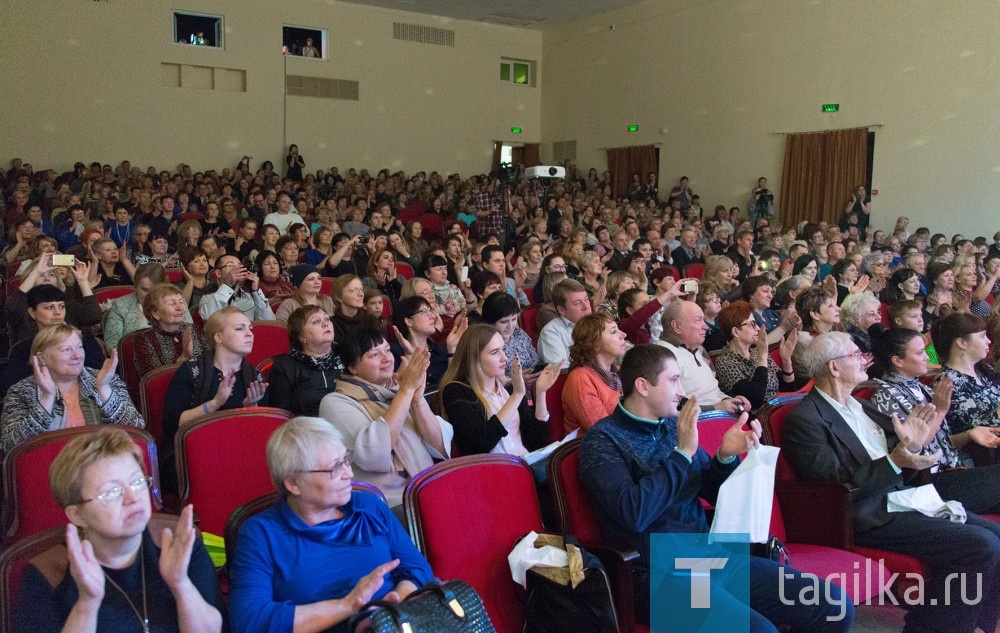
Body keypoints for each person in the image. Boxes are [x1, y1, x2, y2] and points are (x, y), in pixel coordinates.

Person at [579, 344, 851, 631]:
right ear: (643, 386)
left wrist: (725, 456)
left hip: (708, 558)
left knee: (832, 605)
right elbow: (633, 513)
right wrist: (682, 454)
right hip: (658, 575)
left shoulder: (672, 426)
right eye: (673, 381)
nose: (681, 391)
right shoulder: (602, 440)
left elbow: (714, 492)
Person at [784, 331, 1000, 633]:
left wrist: (912, 447)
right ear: (834, 367)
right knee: (981, 544)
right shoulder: (806, 419)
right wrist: (896, 461)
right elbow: (834, 486)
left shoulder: (862, 406)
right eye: (856, 355)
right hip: (867, 513)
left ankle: (980, 624)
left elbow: (902, 454)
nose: (865, 360)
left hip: (903, 496)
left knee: (996, 535)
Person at [228, 417, 433, 632]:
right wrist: (348, 605)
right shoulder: (260, 534)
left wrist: (391, 609)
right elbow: (249, 621)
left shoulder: (369, 506)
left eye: (346, 460)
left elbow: (417, 569)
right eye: (335, 468)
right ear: (293, 483)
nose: (349, 474)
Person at [13, 427, 223, 632]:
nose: (133, 498)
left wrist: (181, 585)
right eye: (112, 492)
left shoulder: (180, 543)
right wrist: (87, 604)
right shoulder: (48, 573)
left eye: (138, 482)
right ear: (77, 514)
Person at [869, 326, 1000, 512]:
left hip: (955, 471)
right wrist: (939, 411)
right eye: (920, 353)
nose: (927, 358)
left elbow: (941, 444)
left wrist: (969, 434)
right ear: (897, 360)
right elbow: (913, 451)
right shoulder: (887, 396)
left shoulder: (921, 388)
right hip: (928, 483)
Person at [318, 328, 450, 508]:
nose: (387, 358)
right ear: (352, 367)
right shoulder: (335, 402)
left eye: (387, 350)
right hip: (385, 505)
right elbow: (373, 455)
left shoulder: (398, 390)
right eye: (374, 354)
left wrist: (417, 401)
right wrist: (405, 392)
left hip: (428, 490)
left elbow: (439, 447)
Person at [162, 307, 269, 487]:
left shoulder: (256, 377)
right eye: (239, 328)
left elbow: (262, 434)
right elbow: (171, 424)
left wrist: (251, 409)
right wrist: (214, 404)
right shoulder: (191, 371)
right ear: (218, 337)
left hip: (239, 449)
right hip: (197, 449)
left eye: (250, 328)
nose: (249, 334)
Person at [1, 325, 143, 453]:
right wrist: (46, 400)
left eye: (80, 347)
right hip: (50, 472)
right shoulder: (20, 391)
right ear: (41, 358)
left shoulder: (105, 379)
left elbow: (137, 430)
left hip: (105, 466)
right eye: (66, 349)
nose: (77, 356)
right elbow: (10, 447)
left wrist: (104, 390)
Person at [439, 324, 560, 456]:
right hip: (491, 470)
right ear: (474, 358)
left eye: (503, 349)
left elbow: (537, 440)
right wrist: (517, 395)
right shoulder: (455, 391)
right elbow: (482, 442)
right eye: (495, 352)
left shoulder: (508, 386)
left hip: (524, 464)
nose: (505, 358)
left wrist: (540, 392)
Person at [654, 299, 752, 414]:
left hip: (721, 415)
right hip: (697, 423)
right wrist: (716, 407)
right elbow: (670, 408)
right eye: (698, 320)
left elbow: (713, 391)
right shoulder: (661, 355)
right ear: (677, 326)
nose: (705, 326)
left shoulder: (699, 349)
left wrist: (729, 400)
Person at [931, 312, 1000, 449]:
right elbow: (975, 429)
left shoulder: (985, 371)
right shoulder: (948, 382)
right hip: (981, 456)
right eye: (982, 336)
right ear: (962, 343)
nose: (988, 341)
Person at [714, 300, 797, 410]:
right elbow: (754, 401)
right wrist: (762, 359)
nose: (758, 328)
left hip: (779, 408)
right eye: (752, 324)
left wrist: (786, 361)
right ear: (735, 332)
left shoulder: (755, 352)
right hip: (758, 417)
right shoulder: (725, 362)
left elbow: (789, 389)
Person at [269, 305, 344, 417]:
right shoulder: (285, 366)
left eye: (327, 319)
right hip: (305, 429)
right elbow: (281, 414)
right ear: (301, 336)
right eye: (316, 321)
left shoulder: (348, 358)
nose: (325, 323)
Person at [561, 313, 628, 435]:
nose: (623, 335)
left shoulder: (617, 372)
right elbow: (603, 432)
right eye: (614, 332)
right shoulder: (580, 379)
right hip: (596, 449)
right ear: (595, 345)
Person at [133, 283, 208, 380]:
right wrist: (183, 358)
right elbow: (154, 380)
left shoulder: (194, 329)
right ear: (155, 313)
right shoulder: (144, 339)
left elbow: (211, 361)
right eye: (172, 303)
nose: (180, 308)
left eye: (181, 302)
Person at [388, 296, 467, 386]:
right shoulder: (392, 352)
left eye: (431, 311)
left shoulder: (441, 350)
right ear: (409, 321)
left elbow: (453, 385)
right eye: (425, 312)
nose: (432, 316)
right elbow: (393, 388)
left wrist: (452, 348)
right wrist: (408, 355)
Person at [103, 264, 174, 350]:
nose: (149, 295)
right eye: (144, 290)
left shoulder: (177, 302)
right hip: (135, 359)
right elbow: (113, 347)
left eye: (155, 290)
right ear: (135, 285)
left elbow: (189, 337)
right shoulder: (120, 306)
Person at [198, 254, 275, 322]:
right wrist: (228, 284)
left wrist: (255, 291)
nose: (236, 269)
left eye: (239, 265)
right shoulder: (208, 299)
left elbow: (269, 321)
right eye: (230, 266)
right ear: (218, 273)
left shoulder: (251, 297)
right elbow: (208, 317)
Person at [537, 278, 592, 366]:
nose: (586, 306)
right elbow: (560, 370)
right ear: (562, 310)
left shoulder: (597, 323)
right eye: (577, 303)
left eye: (586, 299)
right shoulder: (551, 332)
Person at [482, 291, 538, 375]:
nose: (510, 326)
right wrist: (518, 381)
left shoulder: (519, 334)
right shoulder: (485, 345)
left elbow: (535, 361)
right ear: (490, 322)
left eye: (514, 319)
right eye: (504, 322)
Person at [330, 274, 381, 342]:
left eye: (361, 289)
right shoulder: (332, 325)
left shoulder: (371, 320)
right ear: (339, 297)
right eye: (354, 290)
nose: (361, 294)